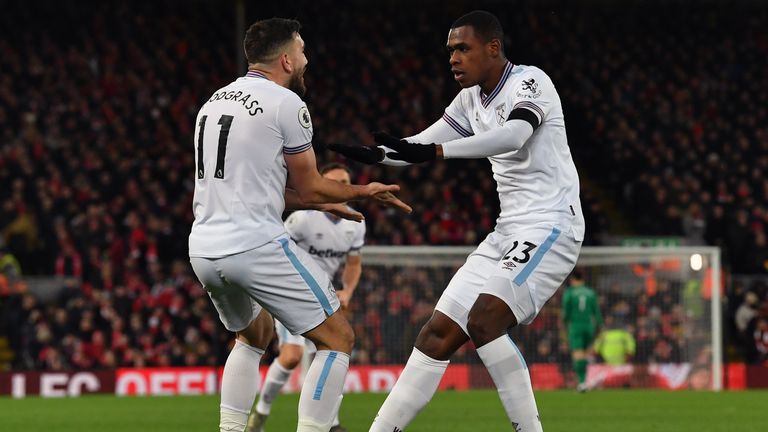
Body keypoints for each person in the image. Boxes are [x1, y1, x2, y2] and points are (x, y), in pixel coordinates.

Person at [330, 10, 584, 431]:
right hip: (508, 232)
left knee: (484, 321)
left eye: (463, 48)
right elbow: (421, 144)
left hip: (552, 225)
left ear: (493, 47)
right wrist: (375, 156)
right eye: (450, 50)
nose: (453, 58)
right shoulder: (469, 100)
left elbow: (514, 135)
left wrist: (434, 153)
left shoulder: (531, 81)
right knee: (436, 334)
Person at [188, 18, 411, 432]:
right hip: (253, 244)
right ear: (287, 60)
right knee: (337, 339)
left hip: (204, 248)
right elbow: (309, 189)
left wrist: (334, 200)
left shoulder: (213, 102)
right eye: (303, 52)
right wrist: (362, 192)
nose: (307, 61)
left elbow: (253, 188)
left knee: (253, 335)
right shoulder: (286, 104)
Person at [248, 163, 366, 432]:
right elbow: (276, 249)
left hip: (323, 296)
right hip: (291, 291)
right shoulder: (303, 219)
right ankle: (261, 413)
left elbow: (354, 264)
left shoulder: (356, 223)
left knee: (331, 353)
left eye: (344, 181)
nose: (340, 186)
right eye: (333, 181)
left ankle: (331, 423)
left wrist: (347, 290)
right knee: (291, 356)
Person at [561, 270, 602, 392]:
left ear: (572, 280)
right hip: (589, 326)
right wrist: (601, 326)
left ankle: (582, 382)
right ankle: (585, 381)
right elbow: (596, 312)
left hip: (576, 326)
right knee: (585, 353)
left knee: (577, 354)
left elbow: (566, 313)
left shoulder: (570, 292)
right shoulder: (590, 292)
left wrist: (563, 325)